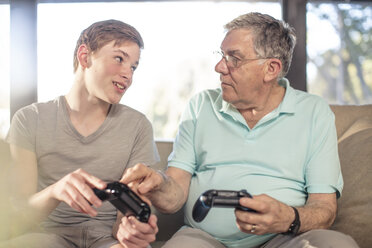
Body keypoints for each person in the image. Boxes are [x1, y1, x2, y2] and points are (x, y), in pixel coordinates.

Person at [121, 12, 359, 248]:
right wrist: (158, 184)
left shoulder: (314, 112)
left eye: (233, 58)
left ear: (271, 69)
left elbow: (324, 208)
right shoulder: (200, 106)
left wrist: (288, 217)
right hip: (204, 238)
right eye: (221, 55)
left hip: (285, 238)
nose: (219, 67)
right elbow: (175, 195)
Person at [3, 19, 159, 248]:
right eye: (119, 59)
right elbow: (18, 218)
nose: (128, 74)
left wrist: (131, 229)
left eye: (133, 67)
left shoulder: (138, 126)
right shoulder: (29, 119)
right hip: (47, 238)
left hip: (108, 240)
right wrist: (55, 191)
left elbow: (127, 216)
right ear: (85, 56)